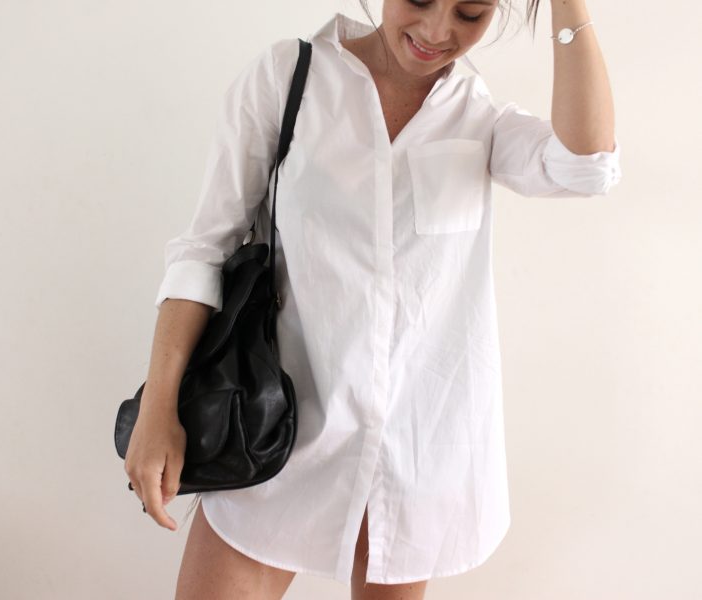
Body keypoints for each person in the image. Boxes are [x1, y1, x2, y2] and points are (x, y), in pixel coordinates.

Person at [124, 1, 621, 598]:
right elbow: (205, 249)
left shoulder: (477, 115)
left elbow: (587, 166)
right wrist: (158, 409)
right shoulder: (289, 78)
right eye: (419, 0)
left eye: (470, 14)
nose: (437, 32)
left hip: (416, 455)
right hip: (277, 436)